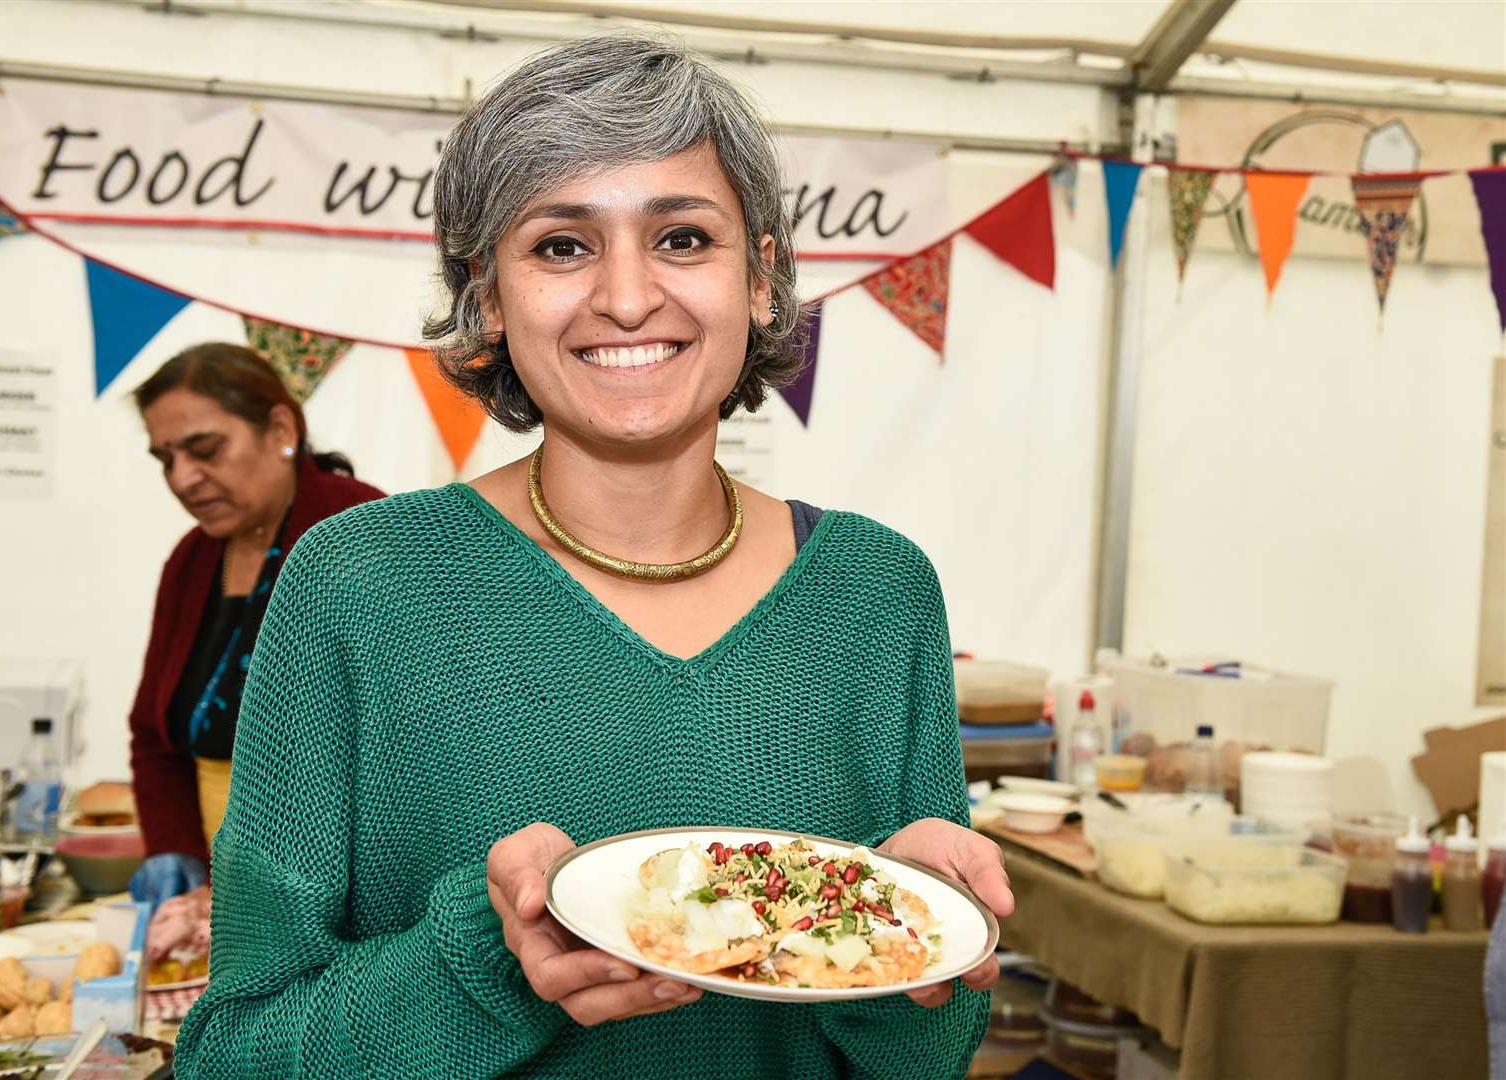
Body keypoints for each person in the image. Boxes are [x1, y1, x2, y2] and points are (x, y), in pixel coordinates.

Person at [175, 33, 1014, 1078]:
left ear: (760, 278)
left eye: (682, 238)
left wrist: (901, 939)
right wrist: (490, 962)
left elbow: (933, 1053)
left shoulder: (877, 593)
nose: (626, 297)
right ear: (486, 297)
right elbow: (235, 1056)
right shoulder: (357, 586)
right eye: (562, 246)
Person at [126, 343, 384, 913]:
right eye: (165, 459)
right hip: (212, 897)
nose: (184, 479)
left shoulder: (365, 538)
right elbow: (153, 735)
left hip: (335, 897)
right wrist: (174, 849)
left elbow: (398, 754)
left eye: (204, 449)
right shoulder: (191, 562)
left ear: (280, 429)